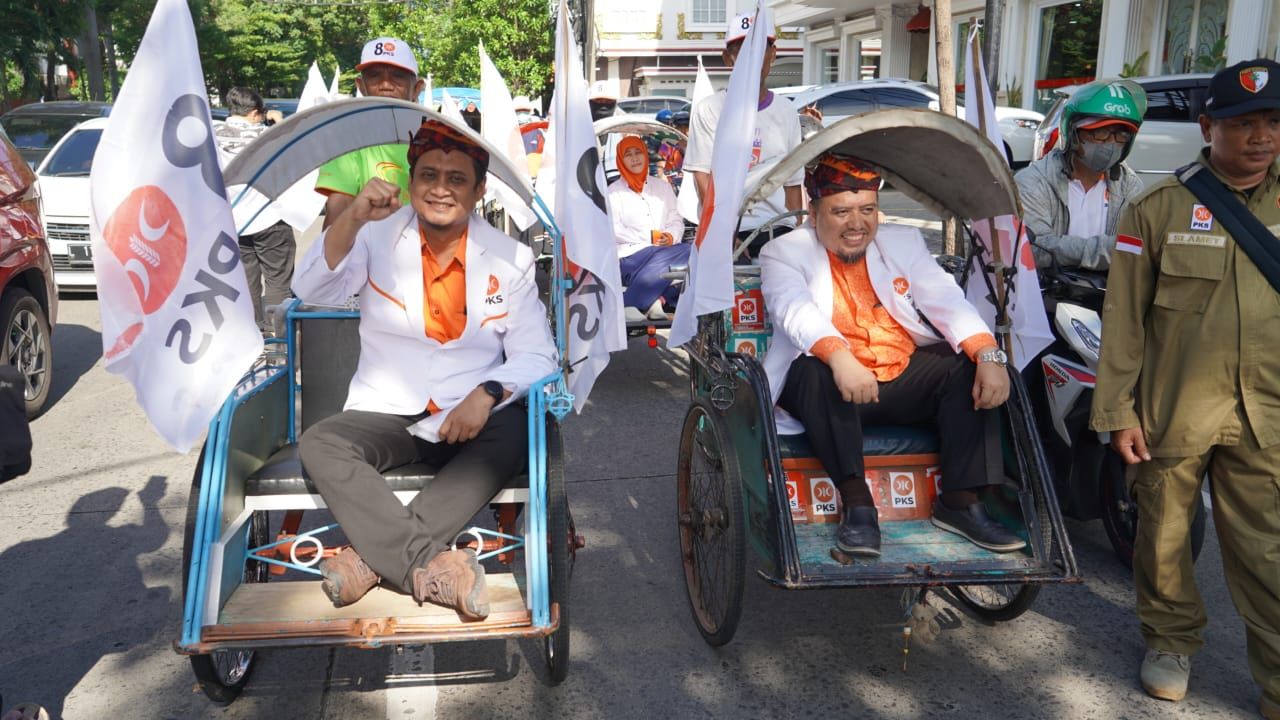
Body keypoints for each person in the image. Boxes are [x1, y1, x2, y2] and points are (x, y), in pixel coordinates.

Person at [293, 119, 557, 619]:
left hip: (469, 418)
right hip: (388, 411)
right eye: (428, 175)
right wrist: (351, 216)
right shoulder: (373, 236)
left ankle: (368, 561)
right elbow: (311, 289)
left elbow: (538, 356)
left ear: (479, 190)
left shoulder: (513, 258)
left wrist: (488, 391)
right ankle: (426, 566)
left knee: (522, 427)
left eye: (457, 179)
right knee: (321, 442)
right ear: (410, 182)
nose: (440, 189)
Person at [1091, 59, 1280, 717]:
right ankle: (1170, 642)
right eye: (1244, 123)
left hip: (1267, 411)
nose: (1261, 136)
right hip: (1173, 408)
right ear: (1207, 127)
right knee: (1165, 534)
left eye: (1272, 122)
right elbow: (1123, 318)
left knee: (1267, 546)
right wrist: (1118, 411)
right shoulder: (1157, 208)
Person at [760, 152, 1024, 558]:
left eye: (867, 210)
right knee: (814, 370)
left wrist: (988, 353)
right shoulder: (784, 252)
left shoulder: (902, 242)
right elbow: (794, 310)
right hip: (831, 388)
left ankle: (961, 501)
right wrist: (839, 357)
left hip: (895, 373)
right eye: (841, 212)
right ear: (813, 213)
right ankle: (858, 506)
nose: (857, 224)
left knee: (966, 367)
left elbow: (944, 298)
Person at [684, 9, 803, 259]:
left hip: (777, 229)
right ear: (728, 58)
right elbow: (703, 179)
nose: (753, 58)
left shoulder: (786, 111)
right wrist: (724, 235)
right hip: (725, 232)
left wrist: (797, 236)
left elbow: (793, 185)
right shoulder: (710, 110)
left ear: (773, 54)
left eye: (760, 49)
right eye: (742, 50)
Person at [1015, 78, 1147, 270]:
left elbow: (1139, 251)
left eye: (1121, 135)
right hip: (1049, 287)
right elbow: (1034, 248)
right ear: (1074, 134)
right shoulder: (1033, 182)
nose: (1111, 143)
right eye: (1100, 132)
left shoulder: (1129, 187)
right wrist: (1109, 250)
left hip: (1106, 289)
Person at [315, 37, 426, 229]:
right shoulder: (347, 140)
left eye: (398, 76)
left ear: (417, 88)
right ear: (361, 86)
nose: (385, 85)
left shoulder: (439, 139)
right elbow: (337, 209)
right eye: (374, 76)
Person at [214, 86, 296, 331]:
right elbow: (295, 148)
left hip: (233, 221)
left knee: (246, 282)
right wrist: (278, 121)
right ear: (253, 113)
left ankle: (252, 336)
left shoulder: (214, 135)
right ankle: (280, 339)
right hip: (270, 218)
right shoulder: (268, 135)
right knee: (278, 280)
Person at [607, 134, 690, 322]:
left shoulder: (662, 188)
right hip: (628, 255)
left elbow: (676, 219)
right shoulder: (613, 192)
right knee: (686, 253)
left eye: (638, 152)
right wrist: (647, 239)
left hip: (664, 251)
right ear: (620, 160)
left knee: (692, 254)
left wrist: (670, 236)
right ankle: (647, 301)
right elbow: (612, 229)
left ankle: (646, 302)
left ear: (645, 155)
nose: (635, 158)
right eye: (628, 154)